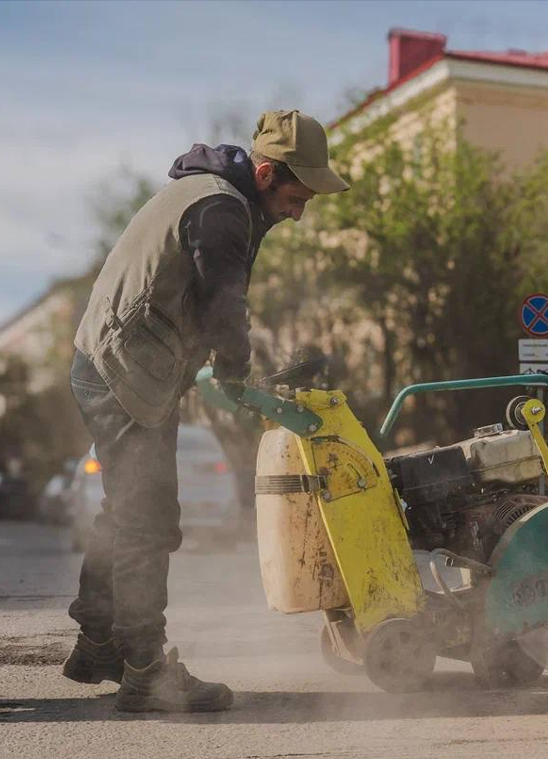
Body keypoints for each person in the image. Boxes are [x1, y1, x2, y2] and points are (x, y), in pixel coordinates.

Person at [61, 110, 349, 712]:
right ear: (267, 173)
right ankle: (145, 671)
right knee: (148, 521)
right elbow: (223, 303)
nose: (299, 213)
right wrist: (237, 371)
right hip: (125, 372)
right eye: (297, 197)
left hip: (110, 363)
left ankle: (97, 643)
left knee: (126, 510)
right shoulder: (222, 209)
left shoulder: (209, 194)